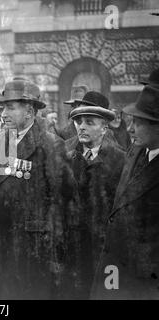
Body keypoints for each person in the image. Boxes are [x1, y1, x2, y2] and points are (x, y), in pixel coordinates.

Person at [0, 79, 78, 299]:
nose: (3, 114)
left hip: (32, 245)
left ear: (29, 111)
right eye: (2, 108)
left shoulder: (50, 145)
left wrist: (57, 251)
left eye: (10, 108)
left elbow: (64, 201)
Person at [91, 85, 159, 299]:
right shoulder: (137, 151)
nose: (130, 129)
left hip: (143, 279)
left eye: (138, 123)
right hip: (115, 267)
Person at [65, 91, 125, 299]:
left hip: (101, 251)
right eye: (79, 121)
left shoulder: (120, 161)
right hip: (68, 248)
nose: (81, 126)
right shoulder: (64, 154)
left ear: (104, 127)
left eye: (89, 122)